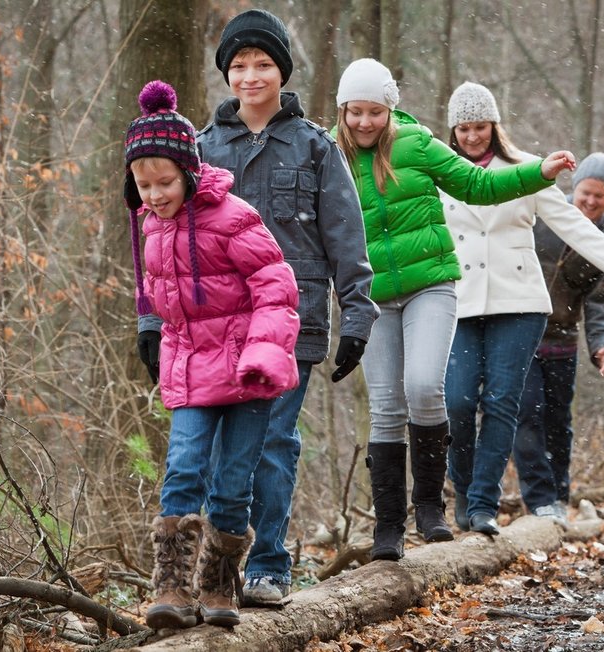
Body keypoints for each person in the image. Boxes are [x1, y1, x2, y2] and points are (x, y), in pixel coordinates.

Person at [333, 60, 577, 561]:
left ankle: (430, 509)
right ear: (342, 110)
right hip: (371, 295)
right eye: (355, 112)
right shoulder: (328, 154)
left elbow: (478, 185)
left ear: (390, 109)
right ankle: (389, 528)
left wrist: (540, 172)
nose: (364, 122)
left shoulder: (418, 143)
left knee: (425, 386)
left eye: (375, 112)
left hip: (432, 286)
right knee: (385, 406)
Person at [177, 9, 378, 607]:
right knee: (216, 453)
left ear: (282, 71)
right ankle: (219, 573)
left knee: (271, 442)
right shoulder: (202, 149)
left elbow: (346, 237)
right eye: (239, 66)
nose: (250, 76)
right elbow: (168, 242)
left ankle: (268, 564)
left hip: (294, 320)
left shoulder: (316, 147)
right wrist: (155, 324)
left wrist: (358, 318)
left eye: (263, 64)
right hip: (218, 327)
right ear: (225, 74)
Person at [440, 82, 604, 536]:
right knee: (457, 403)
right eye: (464, 128)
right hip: (460, 300)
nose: (473, 136)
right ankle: (462, 486)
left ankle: (483, 504)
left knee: (502, 403)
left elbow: (573, 223)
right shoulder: (441, 170)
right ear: (453, 129)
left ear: (494, 126)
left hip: (517, 302)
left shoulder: (524, 169)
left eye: (481, 127)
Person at [123, 80, 300, 628]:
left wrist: (265, 351)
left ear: (190, 171)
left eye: (165, 182)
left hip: (246, 372)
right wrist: (151, 330)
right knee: (182, 469)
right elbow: (162, 298)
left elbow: (276, 283)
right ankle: (172, 588)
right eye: (144, 185)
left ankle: (220, 585)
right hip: (191, 370)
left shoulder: (231, 216)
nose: (154, 195)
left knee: (232, 482)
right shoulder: (151, 228)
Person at [513, 152, 604, 522]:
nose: (591, 202)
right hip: (521, 332)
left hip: (562, 341)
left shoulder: (603, 244)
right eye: (586, 193)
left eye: (600, 197)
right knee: (526, 414)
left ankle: (559, 497)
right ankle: (538, 498)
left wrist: (601, 345)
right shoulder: (543, 216)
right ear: (574, 187)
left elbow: (600, 302)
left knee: (558, 421)